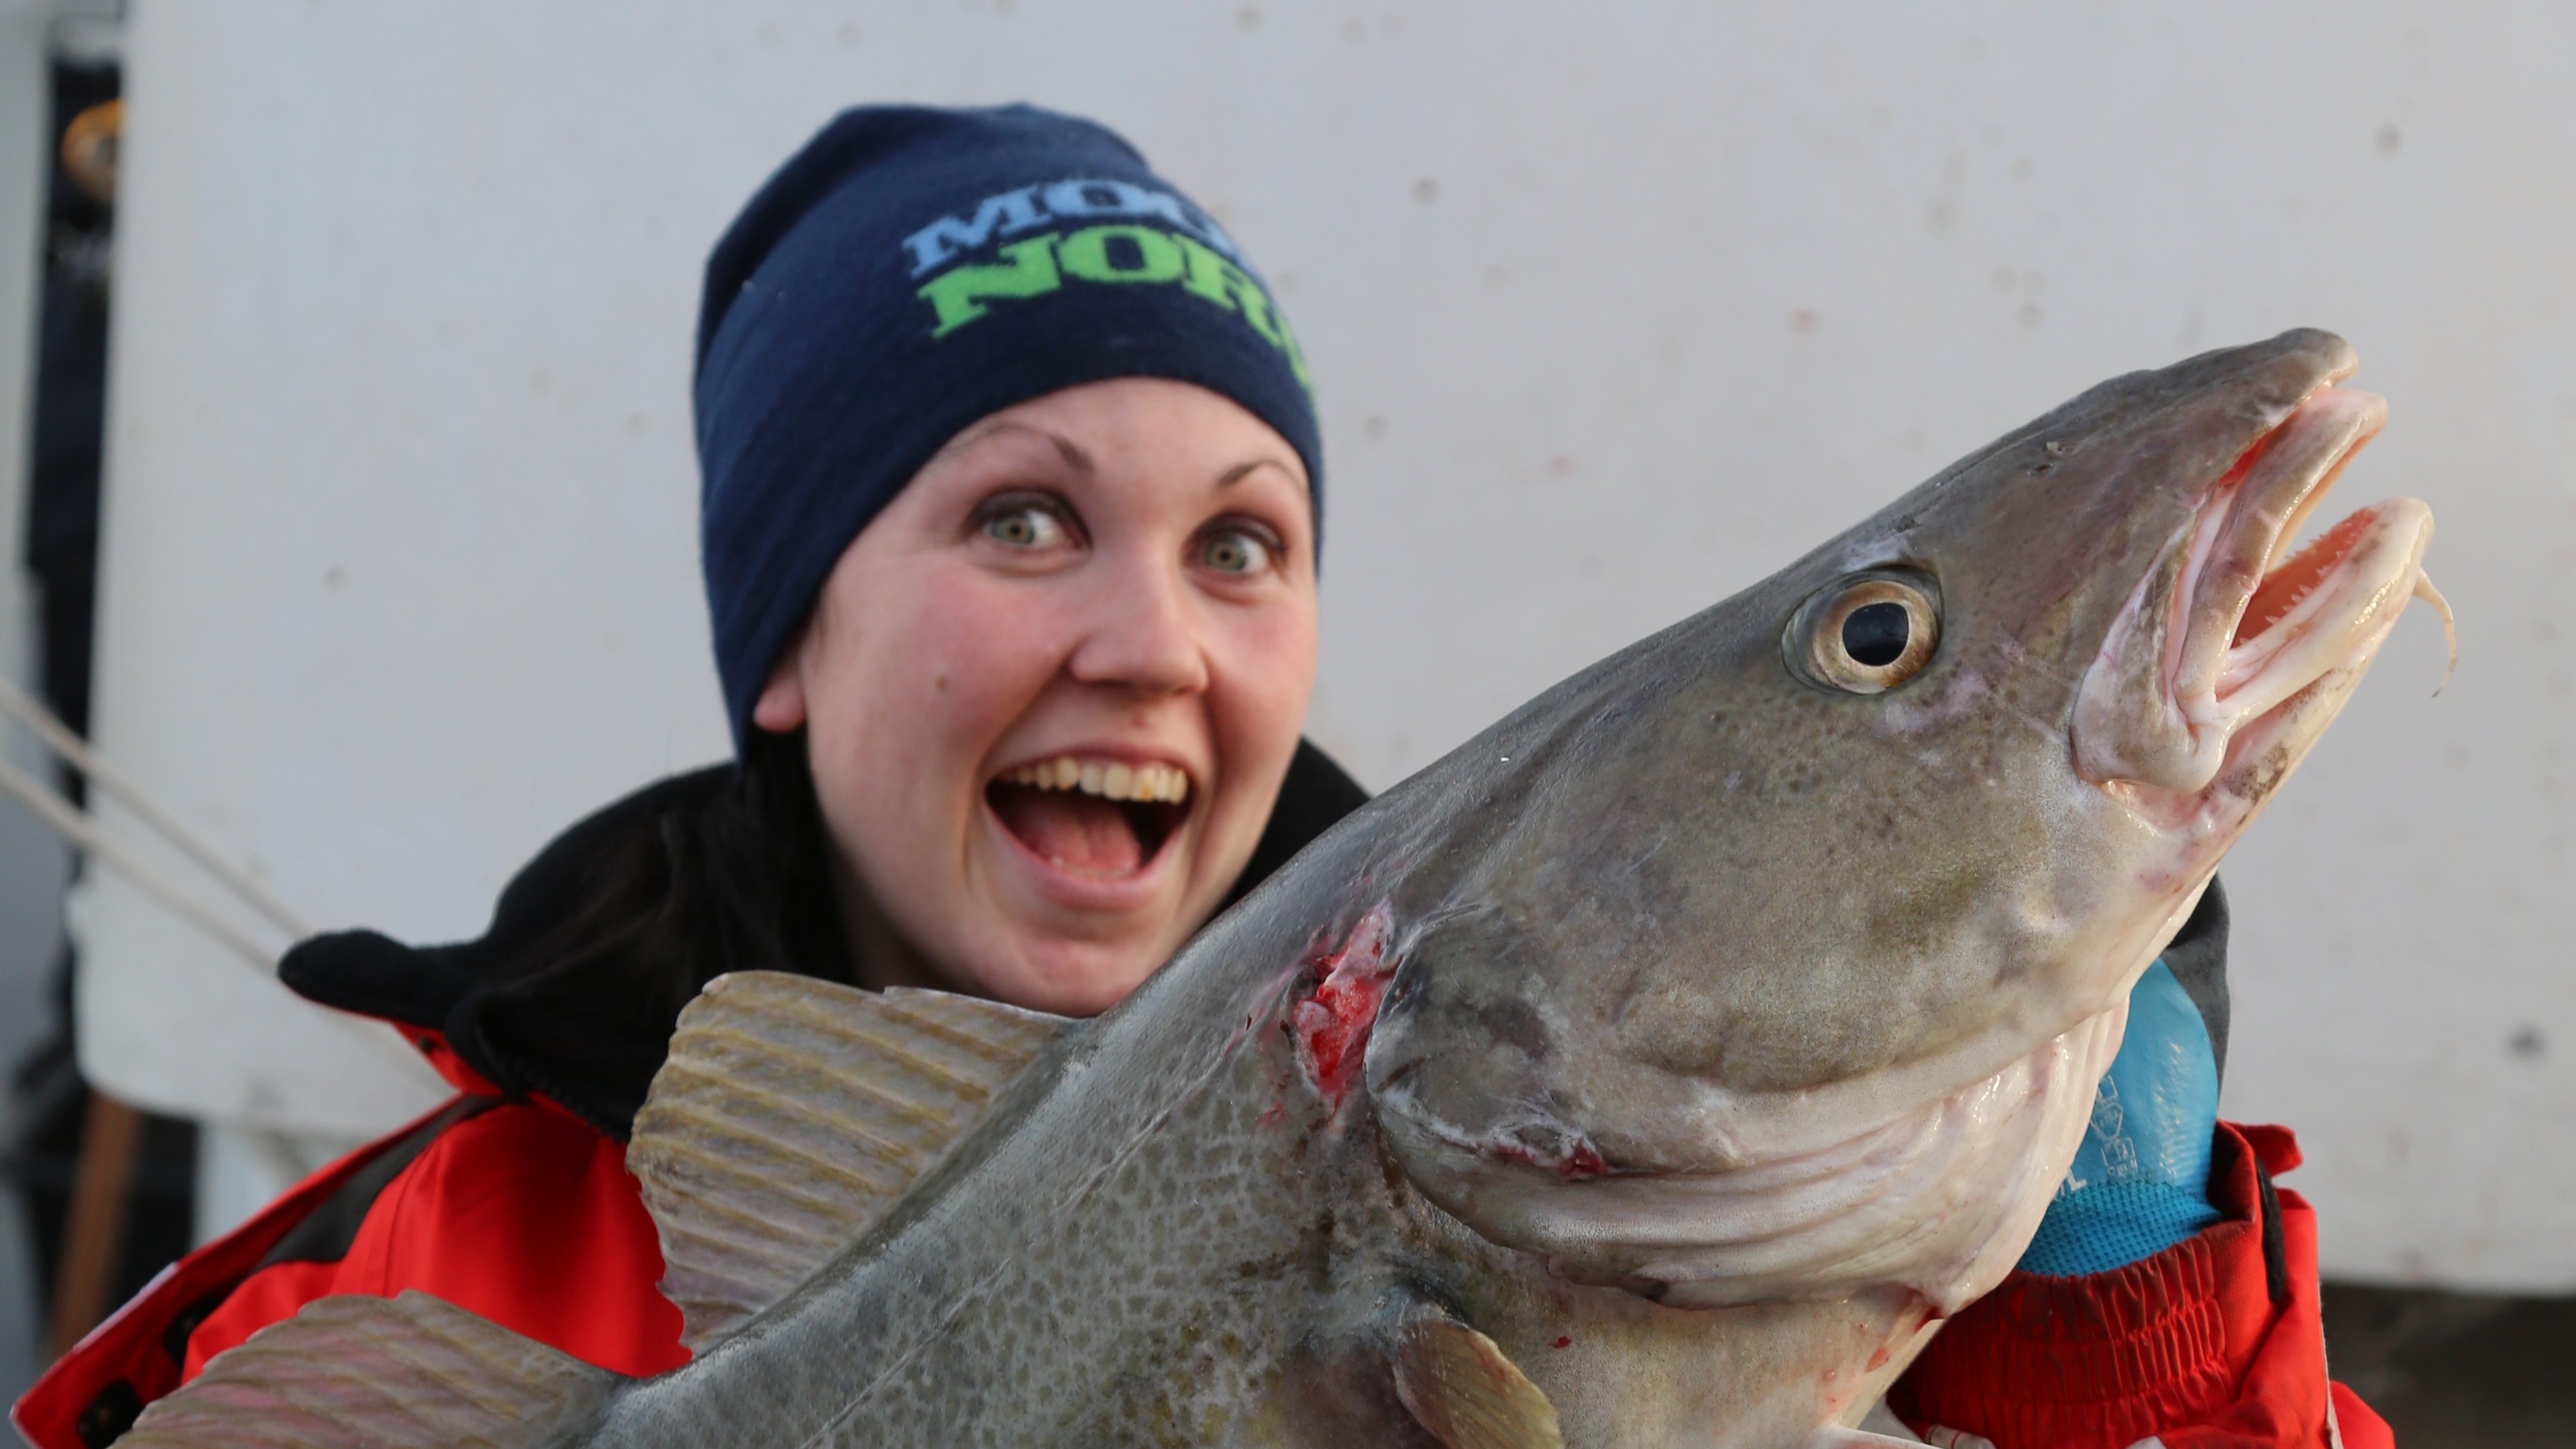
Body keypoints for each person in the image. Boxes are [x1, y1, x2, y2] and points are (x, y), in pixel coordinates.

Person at [15, 105, 2387, 1449]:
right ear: (789, 644)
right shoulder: (413, 1272)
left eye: (1243, 541)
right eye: (1018, 516)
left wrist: (2135, 1346)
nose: (1148, 634)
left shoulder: (1932, 1273)